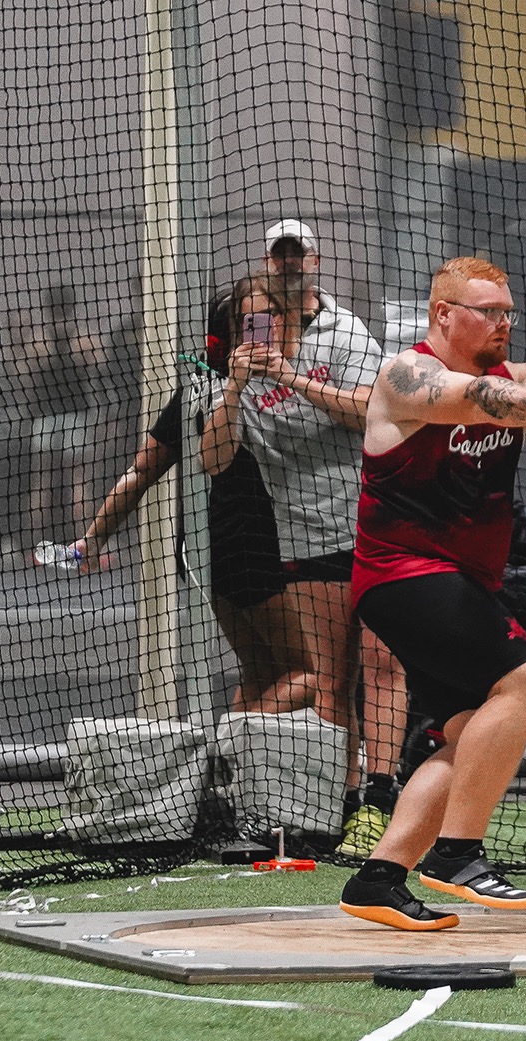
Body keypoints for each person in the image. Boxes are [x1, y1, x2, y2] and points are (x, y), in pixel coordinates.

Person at [338, 256, 526, 930]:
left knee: (468, 738)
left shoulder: (514, 375)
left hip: (461, 583)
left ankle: (380, 878)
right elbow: (479, 402)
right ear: (443, 315)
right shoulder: (406, 376)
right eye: (487, 311)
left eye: (507, 311)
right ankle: (457, 852)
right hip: (402, 574)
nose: (503, 323)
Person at [247, 219, 410, 856]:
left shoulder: (344, 332)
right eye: (279, 255)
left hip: (368, 522)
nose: (290, 264)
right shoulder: (249, 338)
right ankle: (335, 807)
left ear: (314, 260)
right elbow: (239, 445)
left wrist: (293, 379)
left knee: (382, 666)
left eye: (299, 254)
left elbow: (371, 407)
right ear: (266, 262)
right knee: (327, 679)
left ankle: (380, 797)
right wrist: (235, 380)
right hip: (300, 530)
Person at [78, 279, 309, 718]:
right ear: (228, 337)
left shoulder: (205, 388)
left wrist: (92, 540)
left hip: (209, 550)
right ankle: (225, 750)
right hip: (252, 547)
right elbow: (150, 469)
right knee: (315, 674)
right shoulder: (229, 390)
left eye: (274, 316)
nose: (268, 328)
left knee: (259, 674)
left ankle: (230, 774)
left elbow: (140, 471)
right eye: (253, 322)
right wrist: (91, 541)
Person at [21, 283, 103, 543]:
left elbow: (25, 380)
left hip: (46, 416)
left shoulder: (38, 342)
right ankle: (83, 545)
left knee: (42, 483)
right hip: (76, 415)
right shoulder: (85, 341)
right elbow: (102, 373)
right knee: (79, 482)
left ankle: (36, 548)